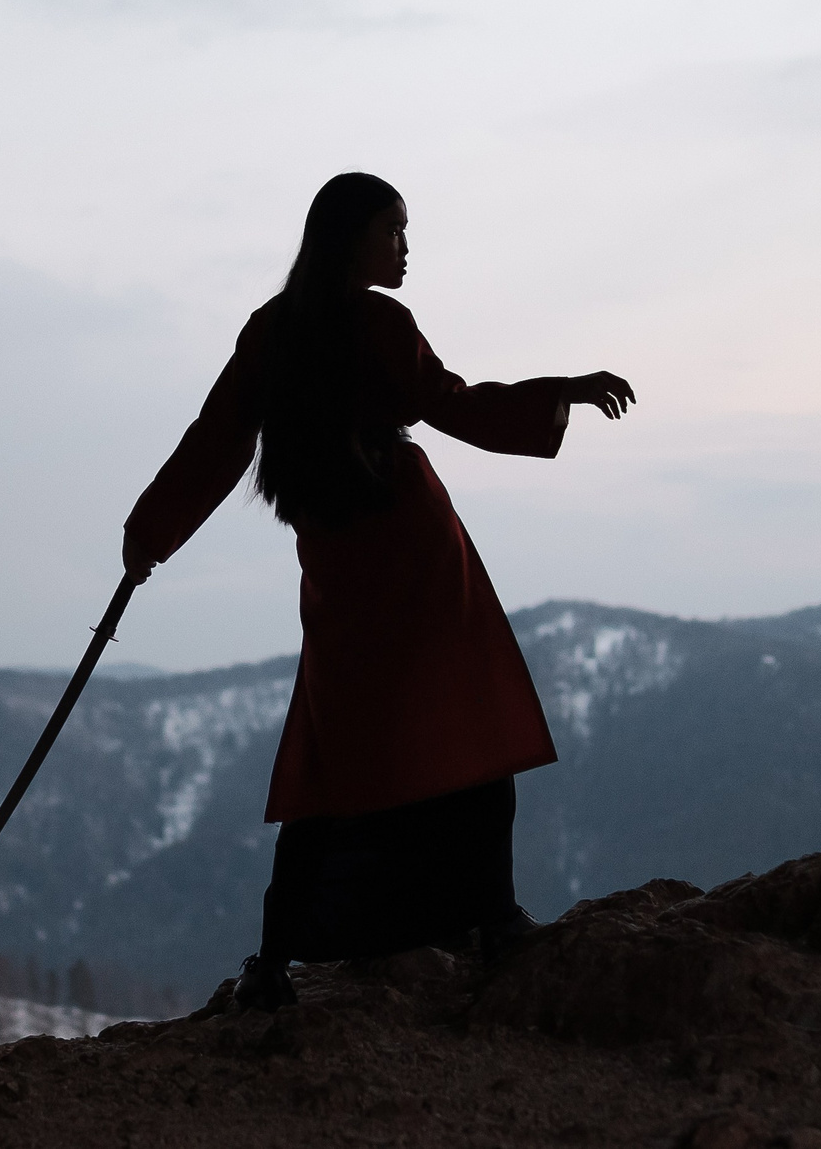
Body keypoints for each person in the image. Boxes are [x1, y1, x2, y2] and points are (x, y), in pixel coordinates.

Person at [119, 172, 634, 1009]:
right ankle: (494, 920)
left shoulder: (272, 330)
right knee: (474, 717)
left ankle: (274, 963)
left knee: (332, 750)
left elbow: (215, 445)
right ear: (351, 236)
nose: (404, 248)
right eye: (393, 230)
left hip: (338, 561)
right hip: (416, 549)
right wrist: (561, 394)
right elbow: (455, 407)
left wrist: (148, 539)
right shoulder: (378, 323)